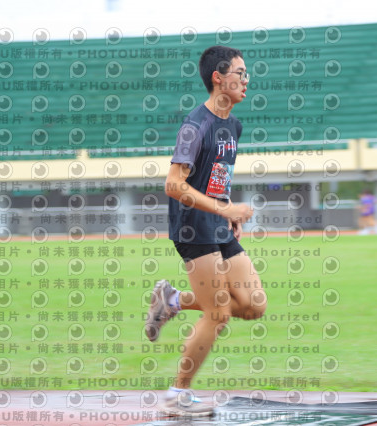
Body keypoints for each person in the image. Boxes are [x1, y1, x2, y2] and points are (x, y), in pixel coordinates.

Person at [144, 46, 266, 417]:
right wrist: (224, 208)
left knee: (252, 304)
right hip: (192, 226)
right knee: (219, 312)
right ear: (218, 77)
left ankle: (173, 300)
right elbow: (173, 184)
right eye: (240, 73)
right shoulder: (195, 126)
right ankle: (176, 396)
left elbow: (217, 175)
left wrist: (228, 210)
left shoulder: (234, 126)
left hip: (217, 222)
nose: (246, 80)